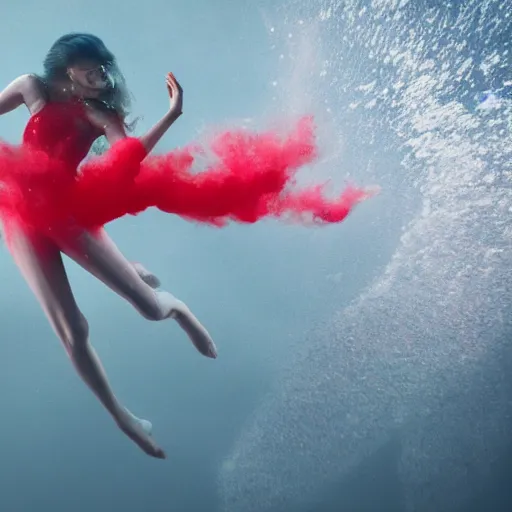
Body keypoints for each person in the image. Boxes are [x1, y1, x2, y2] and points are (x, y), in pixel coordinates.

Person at [0, 33, 372, 459]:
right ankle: (124, 419)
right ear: (70, 65)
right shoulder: (33, 87)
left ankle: (177, 307)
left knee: (150, 309)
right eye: (93, 67)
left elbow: (127, 159)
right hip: (21, 213)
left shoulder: (100, 115)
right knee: (74, 329)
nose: (101, 76)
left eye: (105, 71)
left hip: (69, 214)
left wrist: (172, 114)